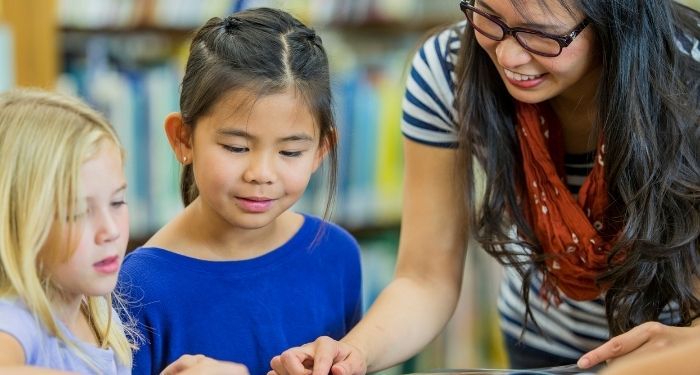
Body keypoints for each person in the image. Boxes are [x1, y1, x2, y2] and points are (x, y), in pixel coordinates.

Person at [269, 0, 700, 374]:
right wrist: (352, 353)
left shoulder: (691, 78)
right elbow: (425, 278)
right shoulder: (447, 67)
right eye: (490, 17)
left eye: (541, 35)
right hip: (540, 347)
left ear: (617, 18)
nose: (509, 56)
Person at [116, 7, 363, 375]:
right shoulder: (136, 287)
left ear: (319, 152)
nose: (261, 174)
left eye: (291, 152)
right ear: (183, 138)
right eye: (236, 147)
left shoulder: (336, 254)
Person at [0, 89, 247, 375]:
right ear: (15, 220)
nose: (110, 231)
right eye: (78, 212)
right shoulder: (15, 318)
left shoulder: (97, 313)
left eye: (117, 202)